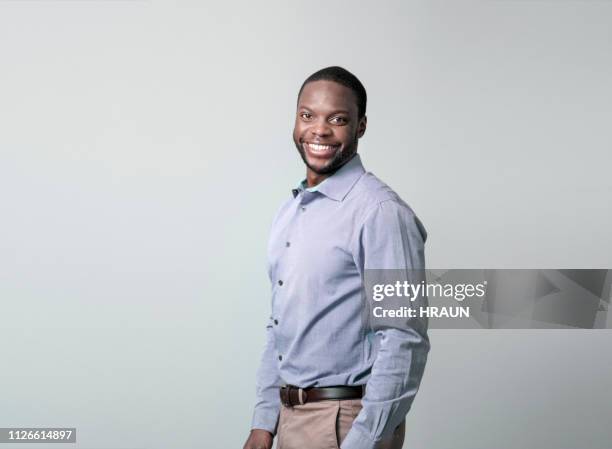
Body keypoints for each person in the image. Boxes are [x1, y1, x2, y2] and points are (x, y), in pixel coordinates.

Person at [242, 66, 430, 449]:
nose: (319, 130)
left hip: (343, 423)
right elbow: (279, 327)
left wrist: (362, 440)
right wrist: (264, 423)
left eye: (338, 119)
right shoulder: (290, 211)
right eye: (308, 116)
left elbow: (403, 338)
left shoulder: (379, 212)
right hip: (290, 418)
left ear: (360, 127)